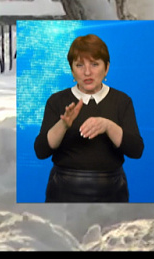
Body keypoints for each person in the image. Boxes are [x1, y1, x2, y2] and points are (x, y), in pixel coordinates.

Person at [33, 34, 144, 203]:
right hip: (63, 189)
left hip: (112, 190)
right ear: (72, 69)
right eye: (79, 65)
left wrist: (108, 126)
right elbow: (41, 151)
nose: (87, 72)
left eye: (94, 64)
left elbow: (136, 151)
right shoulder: (57, 101)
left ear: (106, 68)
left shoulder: (122, 101)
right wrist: (63, 125)